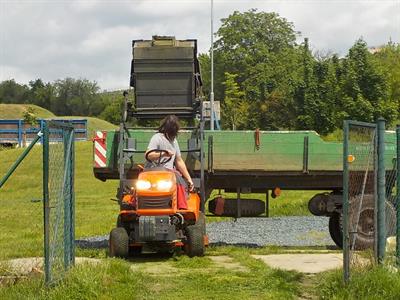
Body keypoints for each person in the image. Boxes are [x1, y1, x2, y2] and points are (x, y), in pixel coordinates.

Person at [145, 115, 194, 209]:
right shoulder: (157, 138)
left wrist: (189, 179)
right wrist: (163, 154)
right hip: (153, 171)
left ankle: (181, 207)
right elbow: (148, 155)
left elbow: (179, 161)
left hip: (168, 173)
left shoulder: (174, 141)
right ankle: (138, 204)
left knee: (178, 178)